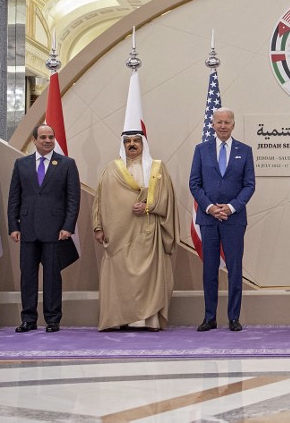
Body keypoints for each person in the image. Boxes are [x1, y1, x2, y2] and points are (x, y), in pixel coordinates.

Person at [93, 130, 177, 331]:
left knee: (148, 277)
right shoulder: (111, 169)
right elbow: (99, 199)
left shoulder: (156, 168)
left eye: (136, 141)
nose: (132, 144)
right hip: (118, 235)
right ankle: (120, 318)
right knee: (121, 277)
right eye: (128, 141)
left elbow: (167, 197)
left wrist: (149, 206)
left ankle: (149, 320)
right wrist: (98, 226)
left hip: (148, 233)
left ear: (143, 144)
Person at [7, 124, 81, 333]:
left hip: (55, 230)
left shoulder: (67, 164)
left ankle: (52, 319)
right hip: (28, 229)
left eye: (51, 137)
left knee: (52, 277)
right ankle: (28, 319)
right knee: (28, 276)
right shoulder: (21, 164)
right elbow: (14, 198)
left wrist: (68, 226)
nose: (48, 140)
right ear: (34, 140)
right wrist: (13, 225)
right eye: (43, 137)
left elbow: (73, 199)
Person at [189, 108, 255, 332]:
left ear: (233, 125)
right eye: (219, 122)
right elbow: (194, 184)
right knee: (209, 270)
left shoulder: (244, 151)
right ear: (213, 124)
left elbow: (249, 185)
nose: (223, 126)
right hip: (208, 220)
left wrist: (231, 206)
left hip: (234, 219)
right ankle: (210, 318)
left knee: (235, 269)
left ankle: (234, 318)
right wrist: (209, 208)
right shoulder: (201, 150)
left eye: (228, 122)